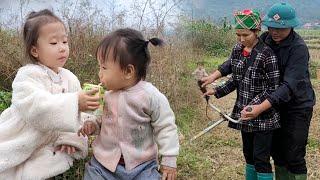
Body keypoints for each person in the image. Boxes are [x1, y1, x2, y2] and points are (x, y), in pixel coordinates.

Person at [202, 3, 315, 180]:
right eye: (272, 27)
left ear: (291, 26)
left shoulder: (298, 49)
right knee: (276, 151)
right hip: (272, 104)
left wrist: (260, 107)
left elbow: (288, 86)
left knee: (293, 153)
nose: (275, 32)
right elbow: (237, 63)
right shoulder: (265, 40)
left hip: (295, 105)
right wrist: (214, 78)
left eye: (281, 28)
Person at [0, 9, 100, 179]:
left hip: (49, 142)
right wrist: (75, 101)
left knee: (47, 165)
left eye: (65, 41)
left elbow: (78, 116)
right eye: (54, 43)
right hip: (22, 135)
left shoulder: (70, 78)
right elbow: (36, 106)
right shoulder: (27, 75)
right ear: (35, 51)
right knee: (7, 165)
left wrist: (71, 137)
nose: (62, 48)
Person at [78, 28, 180, 180]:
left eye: (104, 68)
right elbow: (99, 119)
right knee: (93, 175)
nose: (100, 73)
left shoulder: (150, 96)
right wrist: (92, 124)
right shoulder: (106, 95)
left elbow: (165, 126)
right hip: (104, 164)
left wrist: (169, 160)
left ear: (128, 71)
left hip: (142, 165)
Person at [205, 9, 280, 180]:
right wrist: (216, 91)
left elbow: (273, 89)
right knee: (248, 155)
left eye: (245, 35)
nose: (241, 39)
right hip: (244, 114)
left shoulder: (267, 55)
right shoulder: (238, 50)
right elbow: (235, 80)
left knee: (261, 159)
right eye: (238, 35)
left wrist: (255, 106)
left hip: (263, 116)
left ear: (256, 31)